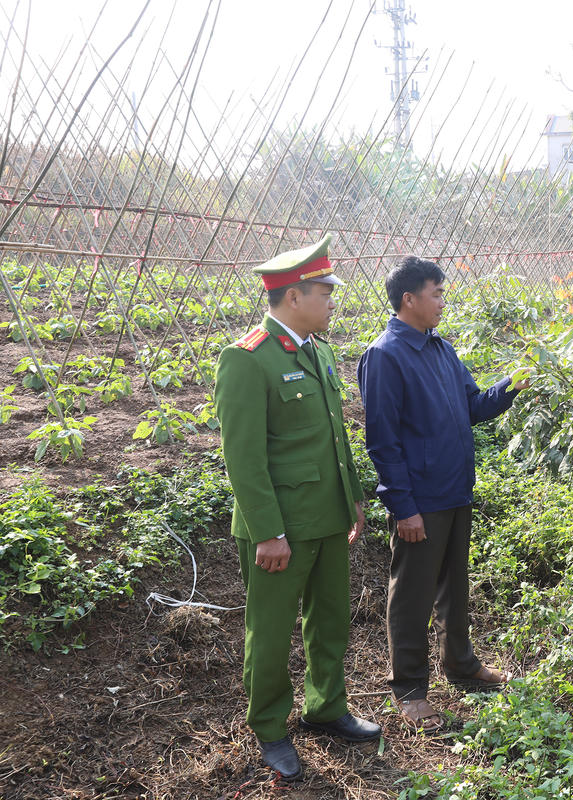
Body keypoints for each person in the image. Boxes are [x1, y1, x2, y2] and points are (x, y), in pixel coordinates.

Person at [213, 234, 381, 781]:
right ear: (293, 296)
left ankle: (327, 707)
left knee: (330, 619)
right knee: (271, 628)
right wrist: (267, 532)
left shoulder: (320, 351)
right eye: (325, 291)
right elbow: (244, 458)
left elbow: (335, 437)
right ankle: (269, 727)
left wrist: (352, 497)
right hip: (280, 526)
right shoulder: (247, 360)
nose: (334, 300)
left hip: (328, 517)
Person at [357, 255, 530, 734]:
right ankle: (409, 688)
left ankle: (461, 664)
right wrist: (402, 505)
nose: (442, 302)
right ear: (408, 299)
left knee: (454, 586)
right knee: (412, 594)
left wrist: (512, 384)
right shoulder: (385, 356)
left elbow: (472, 407)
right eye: (436, 294)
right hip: (421, 501)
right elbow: (382, 440)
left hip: (455, 490)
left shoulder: (441, 350)